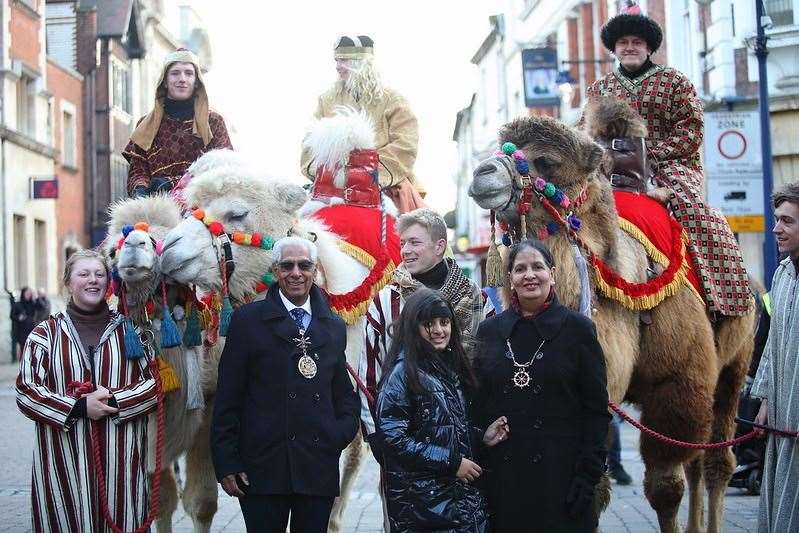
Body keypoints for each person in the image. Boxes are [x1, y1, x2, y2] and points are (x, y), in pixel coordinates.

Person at [587, 1, 751, 318]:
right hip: (610, 169)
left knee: (696, 212)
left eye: (637, 42)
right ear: (615, 48)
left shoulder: (676, 82)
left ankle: (720, 295)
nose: (630, 47)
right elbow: (588, 133)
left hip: (669, 166)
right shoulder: (600, 88)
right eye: (624, 42)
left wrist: (651, 154)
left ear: (648, 48)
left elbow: (691, 129)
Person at [210, 236, 360, 533]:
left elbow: (343, 394)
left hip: (317, 466)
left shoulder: (332, 325)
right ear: (275, 271)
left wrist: (337, 435)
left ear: (315, 270)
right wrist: (226, 462)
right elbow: (228, 396)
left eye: (304, 265)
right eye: (287, 265)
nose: (296, 273)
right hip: (262, 468)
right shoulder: (247, 321)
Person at [16, 249, 158, 532]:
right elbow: (26, 391)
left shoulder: (132, 332)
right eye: (83, 274)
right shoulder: (45, 334)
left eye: (99, 274)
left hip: (122, 465)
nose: (92, 280)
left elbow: (154, 385)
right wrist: (79, 407)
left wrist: (115, 401)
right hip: (62, 463)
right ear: (68, 282)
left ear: (109, 283)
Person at [473, 239, 610, 532]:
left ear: (553, 273)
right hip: (505, 482)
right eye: (520, 269)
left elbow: (596, 412)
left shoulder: (578, 330)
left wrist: (588, 478)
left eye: (537, 267)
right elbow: (477, 403)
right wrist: (481, 438)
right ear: (510, 278)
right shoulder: (489, 332)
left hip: (562, 479)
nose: (529, 275)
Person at [373, 288, 505, 532]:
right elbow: (393, 439)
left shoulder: (449, 369)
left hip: (456, 501)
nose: (438, 330)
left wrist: (480, 437)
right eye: (428, 323)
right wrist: (452, 463)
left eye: (444, 322)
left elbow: (444, 429)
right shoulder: (401, 375)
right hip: (424, 506)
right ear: (413, 327)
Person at [300, 35, 425, 213]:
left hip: (385, 186)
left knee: (415, 234)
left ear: (361, 63)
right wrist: (338, 175)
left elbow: (405, 146)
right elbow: (309, 146)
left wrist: (366, 174)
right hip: (331, 187)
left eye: (343, 60)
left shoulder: (393, 100)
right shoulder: (326, 100)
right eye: (336, 60)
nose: (337, 66)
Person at [751, 182, 799, 532]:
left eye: (787, 221)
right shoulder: (782, 274)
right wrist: (766, 398)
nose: (776, 229)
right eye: (777, 219)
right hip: (784, 408)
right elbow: (772, 343)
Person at [123, 47, 232, 199]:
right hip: (158, 206)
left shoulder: (213, 121)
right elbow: (138, 171)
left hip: (203, 207)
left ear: (196, 82)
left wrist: (174, 183)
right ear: (165, 81)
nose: (182, 79)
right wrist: (139, 189)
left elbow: (225, 170)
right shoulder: (145, 125)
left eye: (188, 73)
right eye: (175, 73)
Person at [11, 287, 42, 362]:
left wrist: (36, 297)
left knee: (32, 347)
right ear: (23, 294)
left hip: (31, 328)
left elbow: (41, 306)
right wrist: (19, 317)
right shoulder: (18, 304)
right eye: (27, 294)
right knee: (23, 347)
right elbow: (12, 315)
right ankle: (23, 363)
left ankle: (31, 363)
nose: (28, 295)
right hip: (21, 330)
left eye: (30, 294)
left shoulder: (33, 303)